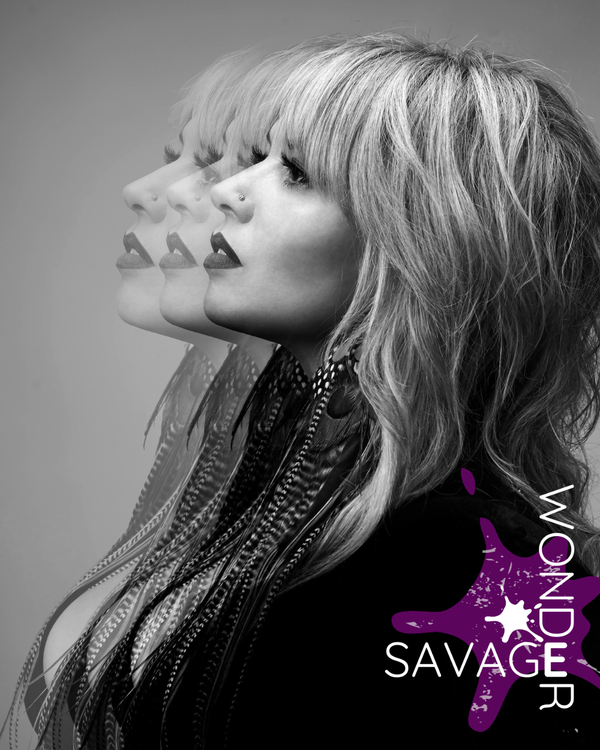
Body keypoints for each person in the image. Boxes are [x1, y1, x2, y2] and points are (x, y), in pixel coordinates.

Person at [10, 32, 600, 748]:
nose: (225, 191)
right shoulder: (300, 488)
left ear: (426, 244)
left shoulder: (462, 556)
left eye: (293, 171)